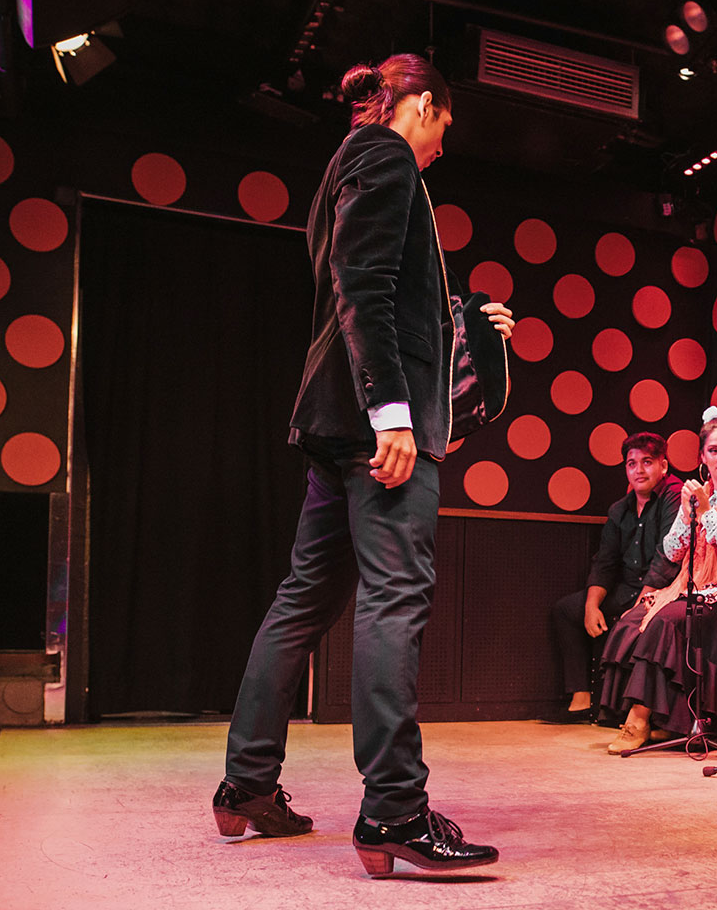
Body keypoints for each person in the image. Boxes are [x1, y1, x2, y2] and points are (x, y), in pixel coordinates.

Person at [214, 54, 512, 877]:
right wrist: (394, 413)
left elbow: (373, 290)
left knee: (303, 600)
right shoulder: (385, 155)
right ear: (422, 104)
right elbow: (363, 283)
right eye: (444, 126)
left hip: (335, 418)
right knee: (394, 598)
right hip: (374, 425)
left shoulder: (347, 165)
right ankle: (394, 811)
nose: (442, 147)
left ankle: (247, 785)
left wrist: (465, 324)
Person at [597, 417, 717, 753]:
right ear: (702, 457)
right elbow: (672, 551)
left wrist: (706, 513)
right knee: (634, 620)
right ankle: (671, 720)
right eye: (713, 451)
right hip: (697, 585)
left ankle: (638, 719)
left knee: (667, 620)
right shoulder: (699, 493)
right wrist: (686, 514)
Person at [545, 432, 682, 722]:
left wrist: (641, 606)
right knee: (567, 610)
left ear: (664, 465)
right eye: (632, 464)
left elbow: (666, 558)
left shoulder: (675, 496)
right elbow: (605, 562)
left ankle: (623, 710)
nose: (639, 470)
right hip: (628, 588)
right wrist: (591, 606)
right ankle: (581, 700)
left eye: (647, 462)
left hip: (664, 592)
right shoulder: (621, 508)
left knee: (635, 621)